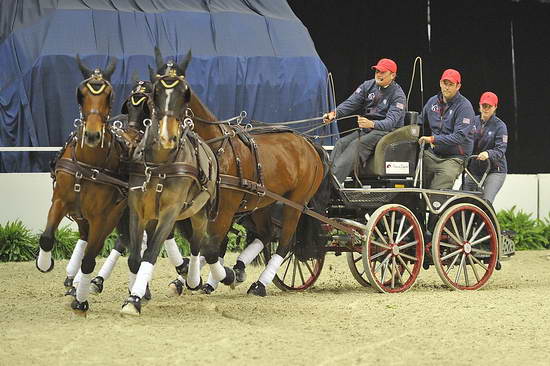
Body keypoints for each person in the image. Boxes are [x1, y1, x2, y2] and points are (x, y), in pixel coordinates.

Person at [323, 58, 406, 185]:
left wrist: (372, 124)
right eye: (377, 71)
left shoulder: (398, 95)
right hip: (368, 129)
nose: (378, 74)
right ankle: (326, 179)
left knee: (356, 145)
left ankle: (331, 185)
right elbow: (350, 103)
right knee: (341, 143)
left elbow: (391, 123)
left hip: (386, 132)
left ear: (393, 75)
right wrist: (334, 114)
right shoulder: (368, 85)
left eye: (382, 72)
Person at [418, 69, 475, 189]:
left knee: (437, 192)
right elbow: (419, 122)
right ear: (440, 83)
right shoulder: (432, 102)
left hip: (455, 158)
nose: (447, 87)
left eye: (451, 84)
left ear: (458, 86)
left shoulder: (465, 107)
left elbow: (459, 137)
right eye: (445, 83)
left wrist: (433, 139)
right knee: (412, 172)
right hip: (433, 154)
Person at [462, 92, 508, 203]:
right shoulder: (471, 121)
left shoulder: (500, 126)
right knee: (461, 199)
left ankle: (486, 218)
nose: (486, 109)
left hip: (494, 170)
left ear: (495, 107)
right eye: (484, 105)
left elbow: (500, 150)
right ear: (479, 105)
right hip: (474, 170)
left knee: (485, 202)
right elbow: (463, 141)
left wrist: (488, 154)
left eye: (489, 106)